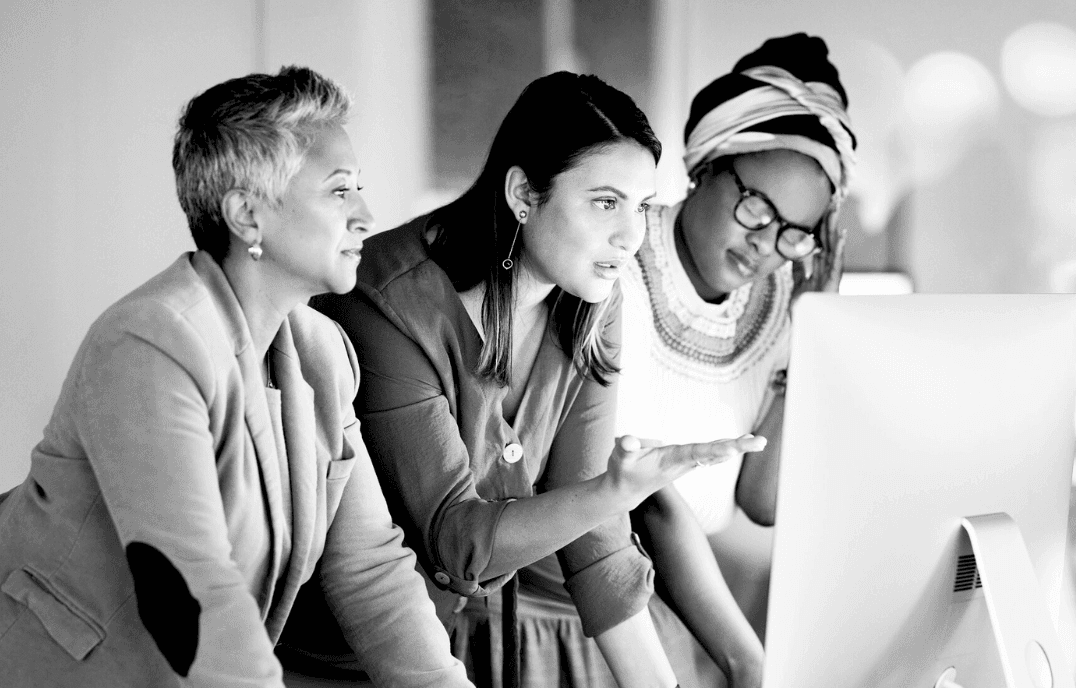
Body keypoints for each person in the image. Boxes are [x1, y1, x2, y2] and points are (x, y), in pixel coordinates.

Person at [0, 66, 471, 687]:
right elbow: (192, 587)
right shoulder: (150, 341)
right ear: (248, 216)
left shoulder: (324, 351)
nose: (365, 215)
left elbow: (369, 568)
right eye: (339, 192)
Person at [301, 71, 764, 688]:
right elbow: (457, 542)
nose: (631, 236)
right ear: (523, 193)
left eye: (641, 206)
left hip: (443, 646)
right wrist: (614, 491)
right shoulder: (386, 304)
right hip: (332, 661)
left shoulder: (592, 301)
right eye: (606, 202)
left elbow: (596, 544)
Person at [615, 33, 857, 687]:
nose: (765, 246)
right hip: (587, 603)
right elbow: (644, 500)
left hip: (684, 608)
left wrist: (813, 338)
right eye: (756, 209)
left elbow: (763, 500)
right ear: (707, 167)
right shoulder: (616, 259)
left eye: (793, 233)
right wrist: (745, 659)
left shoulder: (783, 301)